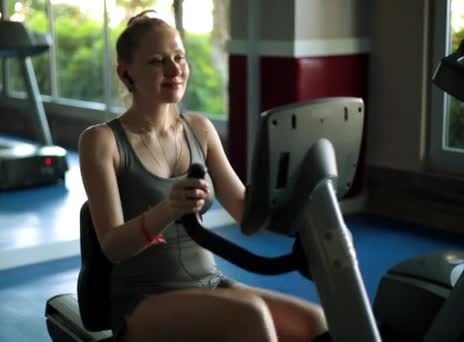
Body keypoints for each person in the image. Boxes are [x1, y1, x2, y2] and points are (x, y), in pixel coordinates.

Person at [78, 9, 327, 342]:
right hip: (144, 300)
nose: (174, 69)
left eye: (179, 57)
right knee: (249, 317)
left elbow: (244, 212)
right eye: (156, 61)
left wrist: (295, 196)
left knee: (318, 322)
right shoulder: (102, 141)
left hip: (209, 284)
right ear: (126, 74)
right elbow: (112, 247)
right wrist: (169, 208)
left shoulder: (199, 129)